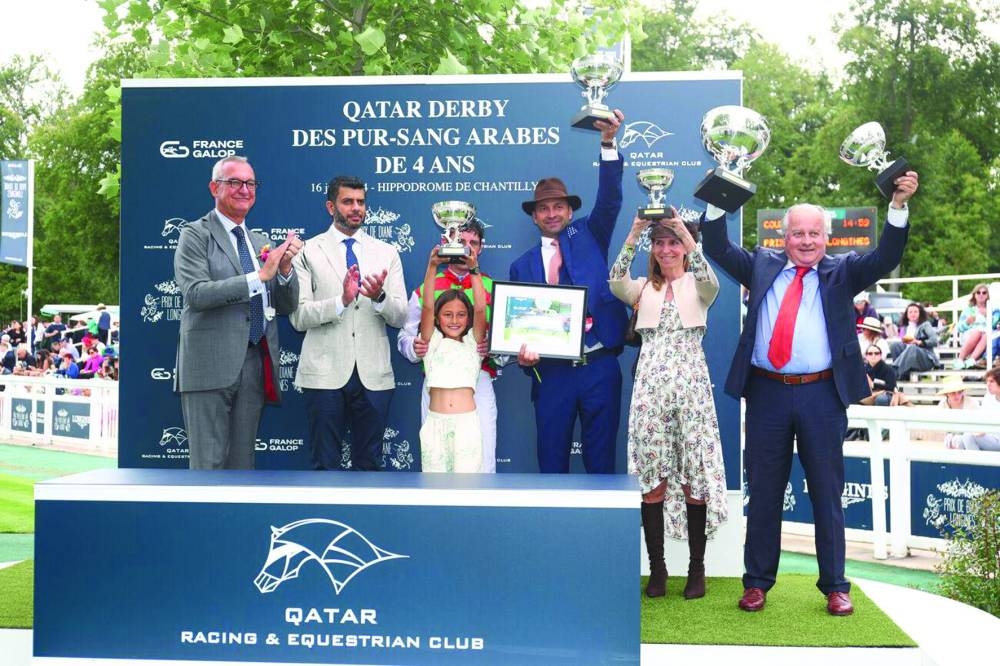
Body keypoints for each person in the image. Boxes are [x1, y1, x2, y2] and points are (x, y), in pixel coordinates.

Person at [701, 170, 919, 616]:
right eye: (797, 233)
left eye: (814, 233)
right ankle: (757, 583)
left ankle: (836, 587)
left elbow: (886, 255)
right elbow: (717, 246)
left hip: (823, 395)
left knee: (826, 492)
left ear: (827, 236)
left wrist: (897, 205)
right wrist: (719, 196)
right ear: (783, 236)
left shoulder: (844, 272)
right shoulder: (760, 264)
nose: (805, 241)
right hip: (766, 394)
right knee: (763, 492)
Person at [609, 213, 727, 600]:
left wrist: (686, 234)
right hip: (650, 391)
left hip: (692, 390)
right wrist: (634, 232)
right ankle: (657, 569)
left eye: (673, 242)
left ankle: (697, 569)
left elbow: (712, 279)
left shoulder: (699, 286)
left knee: (694, 479)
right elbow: (615, 280)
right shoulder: (643, 289)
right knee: (652, 482)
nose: (666, 250)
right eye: (659, 243)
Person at [509, 109, 626, 474]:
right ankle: (552, 530)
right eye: (543, 209)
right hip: (553, 373)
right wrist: (523, 356)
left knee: (601, 461)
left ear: (570, 212)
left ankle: (600, 531)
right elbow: (520, 327)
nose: (552, 213)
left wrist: (607, 144)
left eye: (558, 206)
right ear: (534, 217)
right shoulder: (521, 266)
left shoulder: (592, 234)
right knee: (552, 462)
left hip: (599, 366)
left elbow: (609, 199)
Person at [173, 155, 301, 470]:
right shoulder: (194, 234)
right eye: (234, 182)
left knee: (243, 468)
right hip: (208, 365)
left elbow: (286, 305)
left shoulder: (261, 242)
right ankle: (203, 522)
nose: (244, 189)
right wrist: (259, 277)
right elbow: (196, 294)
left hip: (255, 364)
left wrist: (283, 271)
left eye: (250, 183)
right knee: (207, 468)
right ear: (214, 187)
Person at [290, 175, 407, 471]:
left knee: (370, 465)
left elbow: (400, 315)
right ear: (331, 206)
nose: (356, 208)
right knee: (325, 466)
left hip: (374, 375)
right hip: (324, 374)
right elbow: (298, 317)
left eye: (361, 202)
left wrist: (379, 296)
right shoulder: (308, 251)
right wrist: (341, 301)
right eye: (347, 202)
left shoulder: (387, 252)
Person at [397, 218, 499, 472]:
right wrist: (414, 347)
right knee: (434, 466)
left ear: (480, 248)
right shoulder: (423, 291)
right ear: (447, 242)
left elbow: (496, 331)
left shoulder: (493, 288)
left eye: (472, 244)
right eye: (460, 242)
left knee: (482, 459)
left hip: (478, 377)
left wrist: (494, 348)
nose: (465, 249)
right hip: (435, 381)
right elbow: (406, 336)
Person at [415, 247, 488, 472]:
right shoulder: (431, 341)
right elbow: (427, 306)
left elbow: (480, 309)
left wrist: (474, 270)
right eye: (447, 314)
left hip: (467, 426)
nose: (454, 320)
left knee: (467, 492)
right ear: (437, 318)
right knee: (434, 491)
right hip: (434, 425)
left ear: (468, 318)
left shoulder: (473, 343)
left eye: (461, 315)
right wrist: (432, 266)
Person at [890, 302, 939, 380]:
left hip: (925, 359)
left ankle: (894, 371)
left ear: (920, 313)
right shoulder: (906, 327)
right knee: (895, 345)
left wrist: (918, 342)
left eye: (915, 312)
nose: (913, 314)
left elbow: (935, 341)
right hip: (910, 359)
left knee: (912, 348)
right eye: (910, 312)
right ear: (907, 314)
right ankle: (902, 374)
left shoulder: (925, 325)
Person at [935, 375, 980, 449]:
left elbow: (978, 424)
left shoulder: (972, 402)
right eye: (953, 393)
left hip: (972, 438)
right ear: (946, 394)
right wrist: (949, 435)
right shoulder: (942, 405)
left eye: (959, 392)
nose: (957, 396)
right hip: (951, 437)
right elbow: (941, 425)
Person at [961, 368, 1000, 451]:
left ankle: (976, 463)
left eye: (992, 381)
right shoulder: (988, 397)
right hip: (989, 436)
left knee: (968, 436)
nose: (988, 384)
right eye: (987, 381)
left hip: (996, 437)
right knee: (961, 440)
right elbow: (982, 418)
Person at [954, 284, 990, 369]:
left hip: (986, 337)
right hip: (970, 335)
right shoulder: (968, 310)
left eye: (984, 293)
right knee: (977, 332)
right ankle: (960, 359)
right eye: (978, 292)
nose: (981, 294)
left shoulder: (992, 310)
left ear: (987, 295)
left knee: (986, 334)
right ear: (974, 295)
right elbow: (959, 327)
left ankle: (971, 360)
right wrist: (967, 322)